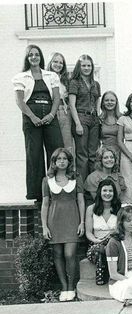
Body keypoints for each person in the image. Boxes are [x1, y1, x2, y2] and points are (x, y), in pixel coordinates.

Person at [13, 44, 64, 201]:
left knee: (56, 150)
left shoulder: (51, 76)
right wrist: (32, 117)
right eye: (31, 55)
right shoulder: (20, 77)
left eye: (37, 54)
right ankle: (38, 194)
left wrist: (51, 114)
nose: (34, 57)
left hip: (49, 115)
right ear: (27, 58)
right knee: (34, 154)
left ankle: (58, 188)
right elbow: (20, 101)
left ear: (41, 57)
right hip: (31, 118)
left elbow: (56, 98)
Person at [40, 148, 84, 302]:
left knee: (70, 254)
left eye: (65, 159)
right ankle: (63, 287)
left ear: (69, 161)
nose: (62, 161)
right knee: (57, 255)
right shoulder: (47, 180)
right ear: (54, 162)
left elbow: (81, 201)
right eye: (59, 159)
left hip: (72, 220)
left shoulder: (76, 178)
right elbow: (45, 204)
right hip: (54, 221)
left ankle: (71, 287)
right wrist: (44, 226)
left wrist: (82, 222)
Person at [69, 54, 101, 180]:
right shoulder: (74, 82)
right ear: (79, 67)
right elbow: (72, 105)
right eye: (84, 65)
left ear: (92, 67)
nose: (86, 68)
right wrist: (77, 123)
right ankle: (82, 189)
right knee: (82, 155)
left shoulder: (96, 84)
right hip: (81, 117)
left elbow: (97, 100)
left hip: (94, 119)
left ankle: (92, 187)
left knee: (93, 154)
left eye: (89, 65)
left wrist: (97, 115)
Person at [85, 179, 121, 285]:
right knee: (100, 249)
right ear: (99, 192)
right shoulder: (91, 209)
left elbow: (121, 230)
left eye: (110, 191)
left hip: (115, 243)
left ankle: (102, 275)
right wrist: (97, 240)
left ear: (114, 193)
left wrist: (109, 238)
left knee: (111, 240)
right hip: (96, 244)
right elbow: (88, 233)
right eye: (105, 190)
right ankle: (106, 274)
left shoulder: (119, 208)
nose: (107, 193)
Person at [46, 52, 73, 153]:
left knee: (67, 144)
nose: (58, 64)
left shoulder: (65, 80)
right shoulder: (45, 78)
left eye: (61, 62)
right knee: (53, 144)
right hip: (51, 112)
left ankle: (69, 168)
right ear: (50, 63)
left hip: (64, 112)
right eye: (55, 61)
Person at [99, 91, 122, 158]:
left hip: (120, 152)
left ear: (116, 102)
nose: (109, 102)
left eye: (112, 100)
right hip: (105, 153)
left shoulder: (121, 118)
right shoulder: (99, 119)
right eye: (106, 100)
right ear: (103, 103)